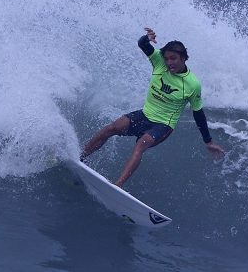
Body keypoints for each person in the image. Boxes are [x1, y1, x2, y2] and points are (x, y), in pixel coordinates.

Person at [81, 27, 225, 187]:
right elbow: (142, 44)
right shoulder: (159, 61)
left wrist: (208, 141)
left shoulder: (192, 84)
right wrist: (147, 38)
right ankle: (81, 157)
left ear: (184, 58)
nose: (169, 62)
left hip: (163, 125)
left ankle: (118, 186)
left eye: (173, 58)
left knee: (141, 145)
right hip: (144, 115)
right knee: (111, 128)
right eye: (167, 58)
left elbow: (198, 114)